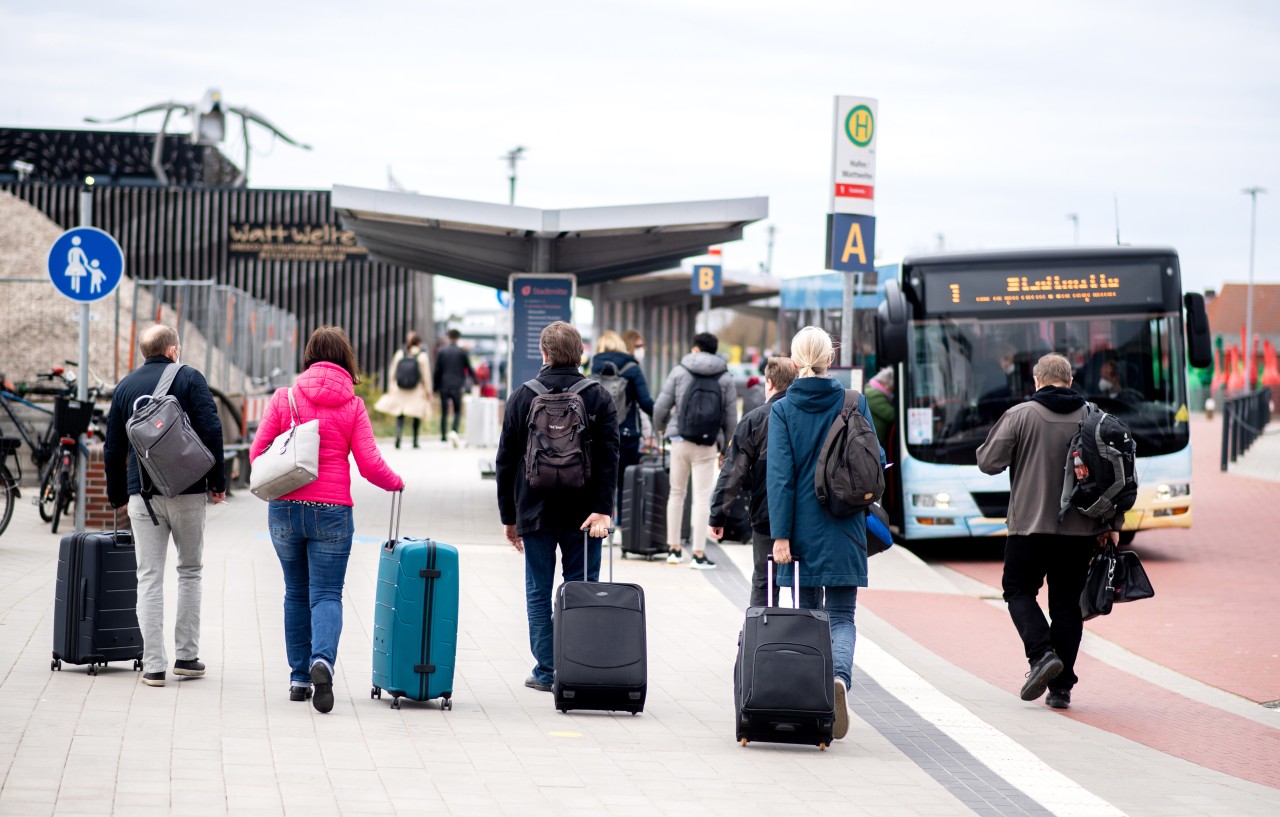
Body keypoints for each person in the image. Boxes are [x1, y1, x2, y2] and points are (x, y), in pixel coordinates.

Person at [250, 326, 404, 712]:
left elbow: (257, 454)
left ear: (309, 356)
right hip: (333, 513)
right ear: (346, 359)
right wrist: (396, 482)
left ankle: (300, 678)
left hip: (284, 507)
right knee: (327, 595)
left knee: (295, 593)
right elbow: (369, 465)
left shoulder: (284, 397)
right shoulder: (353, 405)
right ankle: (323, 661)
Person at [976, 353, 1123, 710]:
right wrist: (1111, 526)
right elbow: (1114, 475)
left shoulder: (1021, 415)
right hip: (1080, 530)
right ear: (1070, 381)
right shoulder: (1093, 417)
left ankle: (1041, 654)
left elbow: (987, 462)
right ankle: (1060, 689)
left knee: (1017, 590)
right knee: (1067, 607)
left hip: (1028, 526)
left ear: (1036, 381)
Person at [768, 326, 884, 741]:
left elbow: (779, 478)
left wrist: (780, 537)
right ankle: (838, 679)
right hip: (845, 527)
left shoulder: (782, 410)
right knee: (842, 616)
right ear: (829, 360)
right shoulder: (854, 402)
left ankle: (812, 694)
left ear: (795, 361)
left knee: (806, 616)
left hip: (799, 533)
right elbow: (875, 458)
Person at [496, 321, 620, 692]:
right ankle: (578, 666)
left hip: (535, 509)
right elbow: (609, 456)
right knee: (581, 587)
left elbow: (505, 461)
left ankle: (547, 670)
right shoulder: (597, 396)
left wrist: (510, 517)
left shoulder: (523, 395)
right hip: (585, 513)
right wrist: (603, 509)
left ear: (544, 354)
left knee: (538, 590)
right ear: (580, 353)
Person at [104, 324, 226, 688]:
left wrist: (117, 495)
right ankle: (186, 658)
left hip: (143, 496)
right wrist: (217, 483)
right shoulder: (189, 377)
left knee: (149, 577)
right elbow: (212, 430)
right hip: (188, 492)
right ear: (173, 350)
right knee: (189, 571)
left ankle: (153, 666)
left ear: (145, 352)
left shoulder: (125, 387)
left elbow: (113, 447)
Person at [709, 356, 795, 606]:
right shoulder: (806, 416)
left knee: (765, 582)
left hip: (767, 513)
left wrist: (718, 515)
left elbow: (732, 471)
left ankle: (763, 638)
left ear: (769, 383)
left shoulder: (755, 419)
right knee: (807, 585)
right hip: (807, 515)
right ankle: (808, 638)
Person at [653, 332, 738, 569]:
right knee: (702, 497)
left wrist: (660, 430)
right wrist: (726, 448)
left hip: (680, 439)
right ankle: (698, 554)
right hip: (708, 443)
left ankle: (673, 550)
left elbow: (661, 405)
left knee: (676, 493)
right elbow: (731, 417)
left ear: (696, 349)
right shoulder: (725, 376)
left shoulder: (680, 370)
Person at [590, 330, 654, 517]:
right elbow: (646, 402)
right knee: (625, 482)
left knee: (604, 480)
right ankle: (621, 526)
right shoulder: (632, 368)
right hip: (627, 433)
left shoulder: (595, 367)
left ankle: (604, 520)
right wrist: (664, 418)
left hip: (600, 433)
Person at [374, 331, 433, 449]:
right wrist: (428, 392)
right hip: (416, 390)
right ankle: (415, 441)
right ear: (419, 343)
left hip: (400, 389)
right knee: (416, 414)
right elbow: (426, 376)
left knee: (400, 413)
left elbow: (392, 372)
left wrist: (391, 386)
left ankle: (398, 437)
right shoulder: (422, 356)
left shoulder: (400, 353)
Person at [433, 329, 474, 447]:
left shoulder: (441, 351)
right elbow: (469, 368)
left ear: (448, 337)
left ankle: (443, 436)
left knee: (444, 411)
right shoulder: (462, 352)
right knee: (457, 411)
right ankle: (454, 432)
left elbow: (437, 370)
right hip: (457, 386)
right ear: (458, 338)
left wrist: (435, 387)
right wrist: (475, 380)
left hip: (444, 385)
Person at [864, 367, 896, 448]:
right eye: (891, 388)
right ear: (885, 384)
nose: (892, 391)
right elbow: (892, 416)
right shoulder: (875, 395)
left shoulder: (871, 388)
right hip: (873, 443)